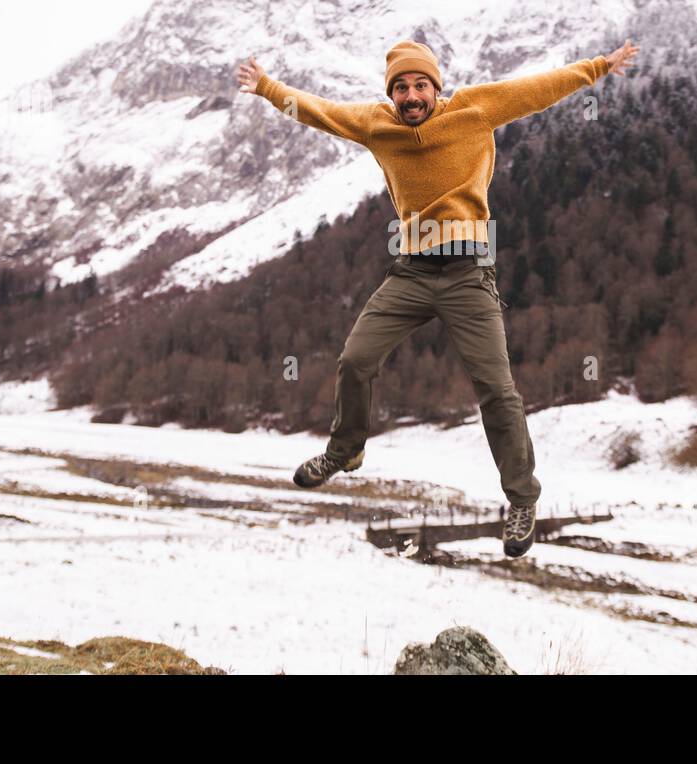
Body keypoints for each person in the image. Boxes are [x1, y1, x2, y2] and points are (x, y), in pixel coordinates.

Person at [236, 38, 639, 556]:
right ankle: (346, 448)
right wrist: (267, 87)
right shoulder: (375, 125)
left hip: (469, 274)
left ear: (435, 87)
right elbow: (319, 111)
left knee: (496, 388)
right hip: (410, 273)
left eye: (419, 85)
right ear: (392, 93)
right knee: (356, 359)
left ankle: (521, 500)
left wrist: (599, 67)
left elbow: (538, 89)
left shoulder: (474, 110)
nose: (410, 95)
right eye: (401, 87)